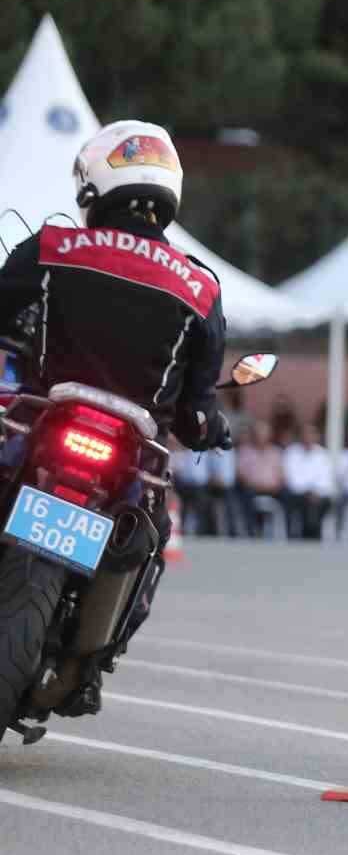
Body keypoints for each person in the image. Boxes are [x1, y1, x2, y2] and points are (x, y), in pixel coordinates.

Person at [0, 120, 229, 716]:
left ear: (93, 184)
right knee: (150, 537)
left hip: (42, 424)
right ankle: (91, 663)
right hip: (126, 457)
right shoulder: (200, 287)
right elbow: (197, 411)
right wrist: (210, 428)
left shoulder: (53, 245)